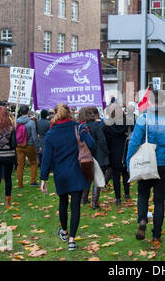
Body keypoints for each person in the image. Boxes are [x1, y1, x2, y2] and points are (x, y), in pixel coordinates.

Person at [126, 90, 165, 243]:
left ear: (150, 102)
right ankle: (157, 234)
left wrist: (128, 161)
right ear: (164, 103)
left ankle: (142, 219)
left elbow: (134, 142)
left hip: (145, 162)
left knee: (143, 194)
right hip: (163, 163)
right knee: (159, 200)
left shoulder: (143, 118)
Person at [40, 103, 96, 251]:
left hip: (61, 173)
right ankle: (72, 240)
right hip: (77, 171)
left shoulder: (51, 133)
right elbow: (92, 143)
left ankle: (64, 232)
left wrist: (43, 178)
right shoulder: (78, 127)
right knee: (75, 206)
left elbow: (46, 157)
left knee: (63, 202)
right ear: (69, 113)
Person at [78, 107, 110, 209]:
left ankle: (84, 199)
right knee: (98, 178)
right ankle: (95, 203)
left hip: (85, 155)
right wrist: (106, 151)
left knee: (88, 177)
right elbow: (102, 140)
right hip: (98, 154)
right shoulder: (96, 125)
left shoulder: (80, 126)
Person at [103, 106, 131, 205]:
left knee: (116, 176)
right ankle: (127, 194)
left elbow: (105, 142)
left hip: (113, 152)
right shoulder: (127, 123)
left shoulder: (106, 126)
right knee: (125, 174)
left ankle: (118, 198)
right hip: (125, 151)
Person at [15, 105, 39, 187]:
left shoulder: (16, 121)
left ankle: (20, 183)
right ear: (28, 112)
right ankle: (33, 181)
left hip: (19, 145)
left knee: (20, 165)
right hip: (29, 145)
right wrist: (37, 146)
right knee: (33, 162)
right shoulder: (31, 122)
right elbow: (34, 135)